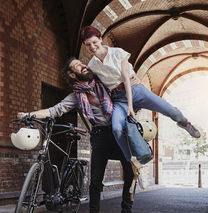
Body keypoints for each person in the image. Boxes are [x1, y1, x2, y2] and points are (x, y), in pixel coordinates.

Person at [17, 57, 141, 213]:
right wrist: (29, 114)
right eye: (77, 66)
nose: (83, 66)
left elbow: (126, 87)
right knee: (95, 181)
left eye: (82, 63)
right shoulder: (76, 96)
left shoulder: (104, 83)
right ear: (71, 74)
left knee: (131, 175)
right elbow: (55, 110)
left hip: (120, 134)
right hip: (99, 136)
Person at [80, 26, 201, 167]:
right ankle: (132, 161)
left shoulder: (117, 53)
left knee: (170, 110)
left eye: (95, 42)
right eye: (88, 44)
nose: (92, 47)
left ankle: (185, 123)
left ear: (100, 39)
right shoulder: (92, 65)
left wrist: (130, 106)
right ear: (84, 45)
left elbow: (126, 78)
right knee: (117, 129)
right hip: (118, 99)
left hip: (136, 90)